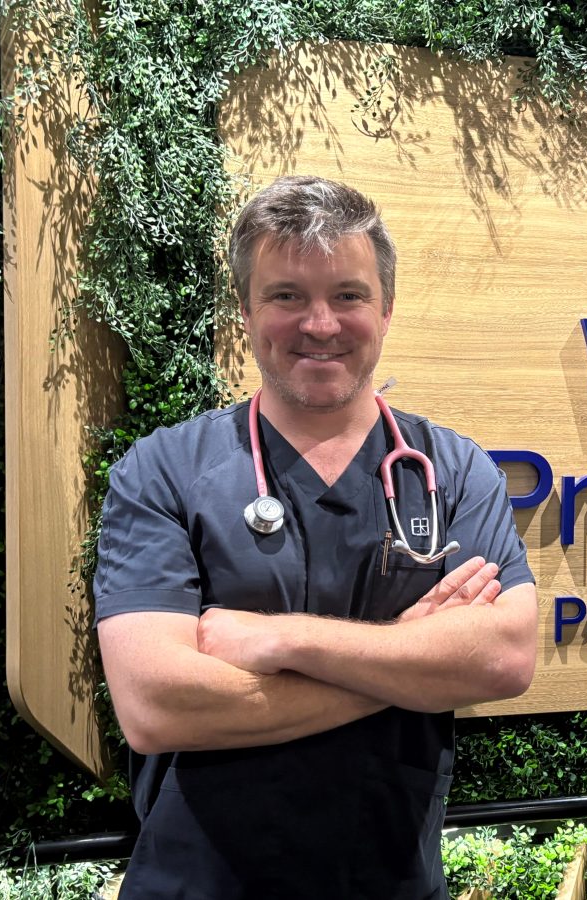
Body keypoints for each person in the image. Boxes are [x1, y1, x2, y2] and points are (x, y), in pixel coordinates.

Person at [94, 175, 538, 899]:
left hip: (392, 881)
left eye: (348, 295)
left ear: (386, 309)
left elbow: (505, 658)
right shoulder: (163, 473)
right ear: (245, 311)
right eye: (287, 295)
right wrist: (410, 664)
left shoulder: (453, 471)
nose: (321, 323)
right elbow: (156, 705)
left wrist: (285, 642)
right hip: (196, 884)